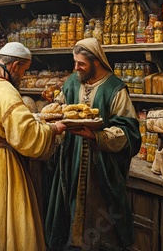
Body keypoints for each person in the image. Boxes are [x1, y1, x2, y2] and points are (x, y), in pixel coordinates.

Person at [0, 42, 67, 250]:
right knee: (6, 216)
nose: (22, 77)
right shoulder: (7, 92)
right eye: (24, 72)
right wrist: (53, 129)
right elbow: (26, 137)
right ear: (15, 65)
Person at [42, 38, 141, 250]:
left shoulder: (115, 89)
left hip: (101, 167)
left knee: (100, 221)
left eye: (81, 64)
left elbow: (129, 132)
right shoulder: (72, 82)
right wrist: (53, 106)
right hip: (71, 160)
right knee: (69, 212)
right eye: (75, 62)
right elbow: (61, 108)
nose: (76, 67)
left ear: (96, 62)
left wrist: (96, 137)